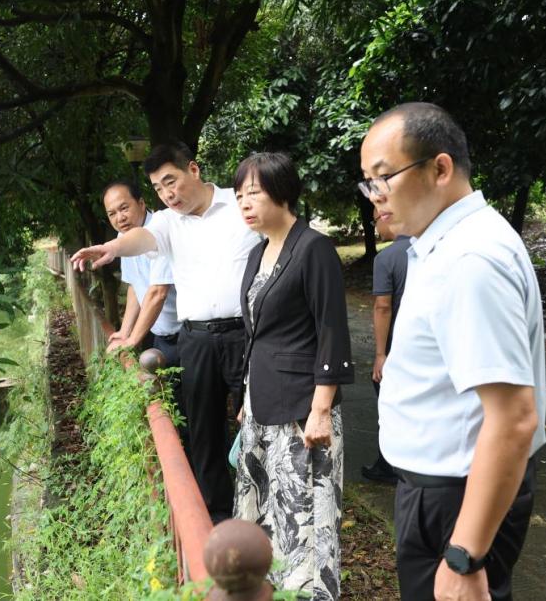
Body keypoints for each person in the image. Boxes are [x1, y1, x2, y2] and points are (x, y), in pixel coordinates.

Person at [359, 102, 546, 601]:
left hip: (456, 499)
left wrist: (465, 555)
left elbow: (514, 419)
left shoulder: (470, 259)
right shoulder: (442, 245)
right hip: (440, 492)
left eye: (383, 178)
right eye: (368, 183)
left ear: (440, 168)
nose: (375, 196)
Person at [71, 142, 260, 522]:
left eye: (170, 181)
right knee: (203, 432)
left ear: (194, 169)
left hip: (246, 335)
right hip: (196, 340)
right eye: (159, 188)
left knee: (256, 426)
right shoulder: (166, 222)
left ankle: (261, 512)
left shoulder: (238, 205)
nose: (167, 194)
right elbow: (141, 239)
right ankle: (217, 518)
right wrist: (112, 247)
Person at [232, 152, 353, 601]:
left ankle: (308, 594)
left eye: (253, 193)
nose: (244, 204)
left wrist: (321, 410)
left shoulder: (313, 248)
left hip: (303, 412)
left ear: (282, 192)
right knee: (266, 509)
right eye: (238, 196)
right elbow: (257, 334)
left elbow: (331, 332)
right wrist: (247, 396)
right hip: (261, 407)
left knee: (304, 513)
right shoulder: (257, 252)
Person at [101, 179, 181, 367]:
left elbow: (158, 293)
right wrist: (125, 332)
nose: (120, 218)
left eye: (124, 208)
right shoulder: (123, 237)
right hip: (158, 332)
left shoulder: (160, 229)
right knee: (158, 381)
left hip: (184, 332)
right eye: (112, 214)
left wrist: (132, 340)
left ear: (141, 203)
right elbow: (135, 286)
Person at [361, 212, 411, 485]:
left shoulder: (387, 258)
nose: (374, 226)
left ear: (386, 217)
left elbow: (383, 306)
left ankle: (391, 465)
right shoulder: (432, 248)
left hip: (397, 346)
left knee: (391, 406)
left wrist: (381, 354)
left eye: (374, 220)